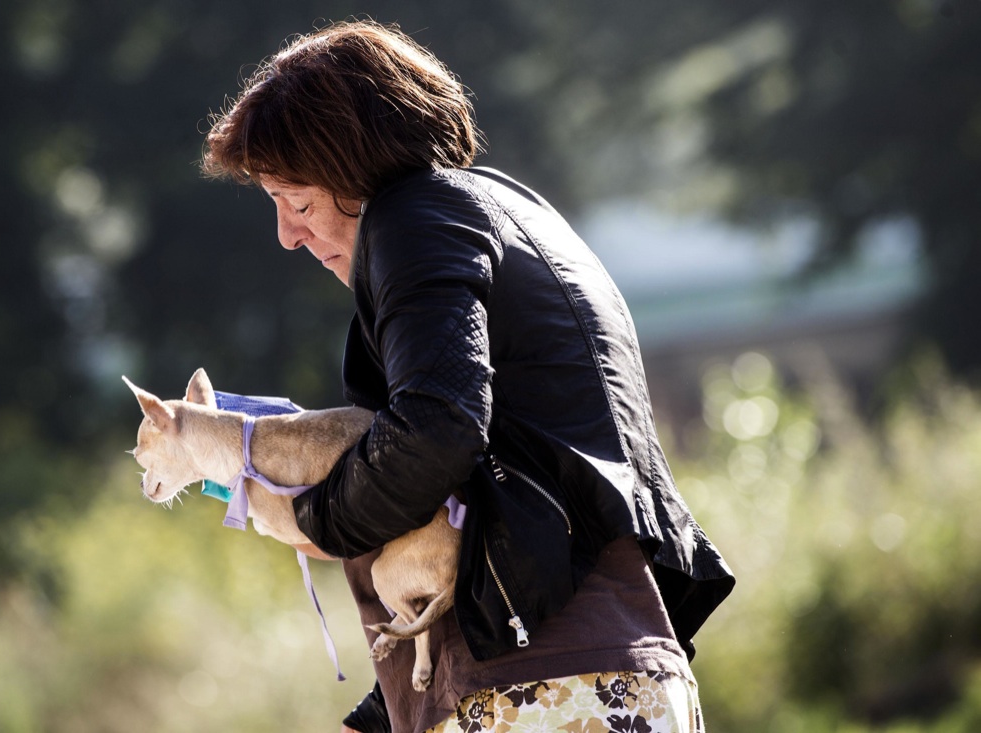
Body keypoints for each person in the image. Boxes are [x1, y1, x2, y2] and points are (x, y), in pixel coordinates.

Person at [201, 20, 734, 733]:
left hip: (541, 691)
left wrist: (310, 520)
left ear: (355, 169)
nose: (287, 235)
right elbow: (487, 511)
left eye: (297, 202)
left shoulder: (415, 218)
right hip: (607, 679)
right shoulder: (514, 214)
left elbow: (438, 425)